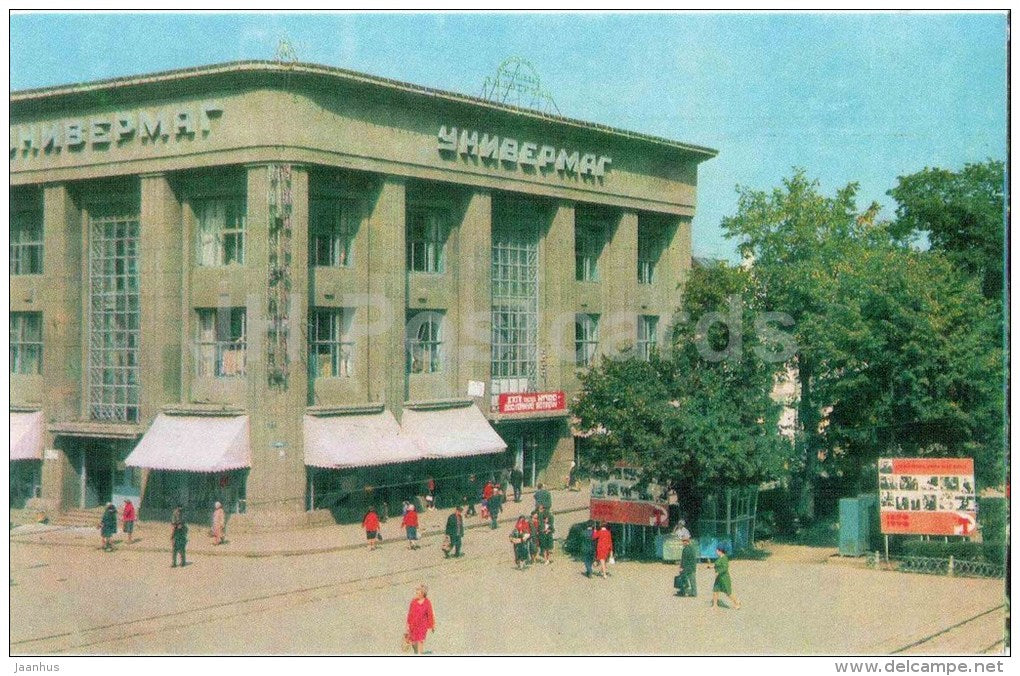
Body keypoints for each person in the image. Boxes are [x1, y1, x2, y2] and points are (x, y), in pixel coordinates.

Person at [406, 584, 436, 655]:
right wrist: (407, 624)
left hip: (422, 626)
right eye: (416, 592)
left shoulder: (427, 602)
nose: (416, 594)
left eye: (417, 593)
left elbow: (430, 614)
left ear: (422, 594)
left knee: (420, 640)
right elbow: (410, 614)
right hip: (413, 625)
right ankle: (416, 652)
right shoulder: (413, 602)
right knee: (413, 641)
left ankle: (420, 653)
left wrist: (432, 625)